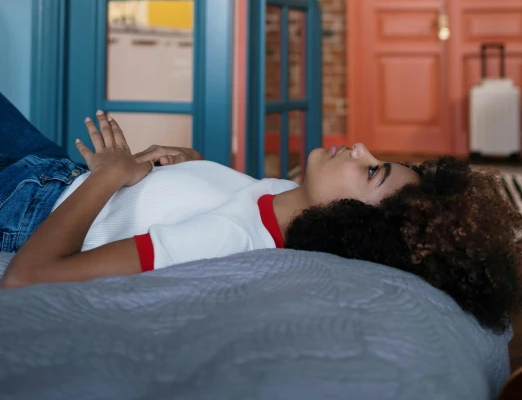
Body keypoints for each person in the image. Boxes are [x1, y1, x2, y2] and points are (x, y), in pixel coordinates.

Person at [0, 92, 520, 334]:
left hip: (25, 204)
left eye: (370, 171)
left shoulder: (228, 242)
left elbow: (28, 279)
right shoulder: (283, 200)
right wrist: (187, 166)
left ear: (354, 224)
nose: (360, 147)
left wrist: (110, 175)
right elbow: (228, 197)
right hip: (55, 172)